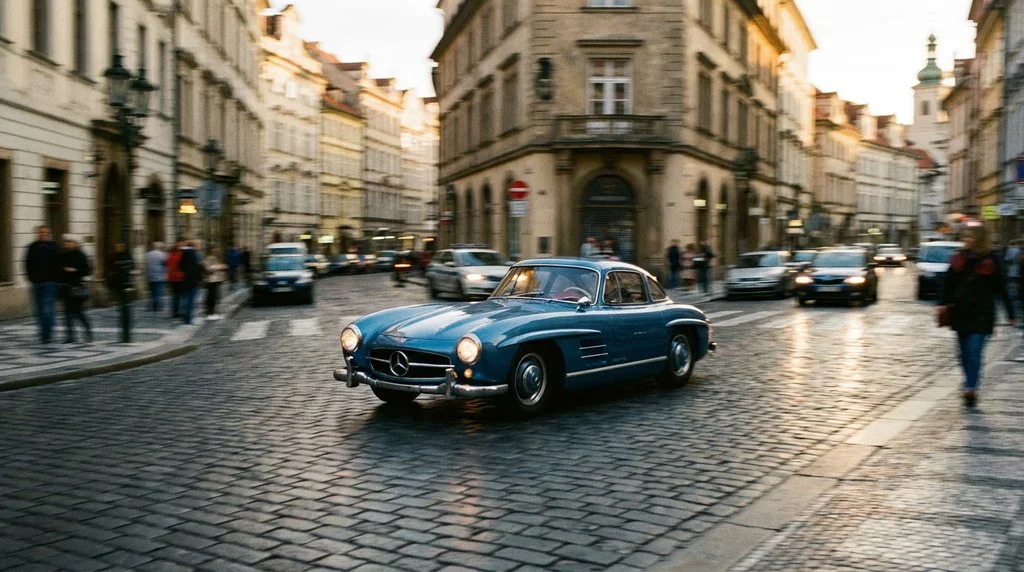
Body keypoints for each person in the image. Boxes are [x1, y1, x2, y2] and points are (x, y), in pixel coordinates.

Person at [938, 226, 1017, 407]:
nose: (967, 239)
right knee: (962, 354)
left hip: (982, 314)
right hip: (960, 313)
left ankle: (971, 387)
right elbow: (947, 282)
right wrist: (941, 303)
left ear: (980, 238)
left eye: (970, 236)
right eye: (965, 235)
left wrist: (1010, 313)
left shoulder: (992, 259)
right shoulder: (959, 257)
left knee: (973, 351)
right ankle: (969, 381)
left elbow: (1001, 288)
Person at [24, 225, 60, 343]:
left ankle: (47, 332)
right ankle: (43, 332)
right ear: (37, 234)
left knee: (48, 309)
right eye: (41, 232)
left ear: (48, 234)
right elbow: (27, 263)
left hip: (50, 283)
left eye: (45, 232)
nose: (43, 234)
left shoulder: (54, 247)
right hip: (36, 283)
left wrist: (56, 279)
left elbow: (59, 263)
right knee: (39, 310)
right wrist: (31, 277)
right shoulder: (32, 247)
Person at [58, 235, 92, 343]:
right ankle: (70, 336)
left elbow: (87, 270)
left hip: (77, 288)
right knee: (67, 313)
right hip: (66, 288)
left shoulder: (81, 255)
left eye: (70, 242)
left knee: (78, 312)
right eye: (66, 242)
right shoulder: (63, 255)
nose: (67, 244)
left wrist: (75, 270)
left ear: (75, 243)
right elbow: (58, 269)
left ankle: (87, 330)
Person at [179, 240, 202, 325]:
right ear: (194, 246)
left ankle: (185, 315)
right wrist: (199, 278)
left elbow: (180, 266)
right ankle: (189, 317)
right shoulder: (195, 255)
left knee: (186, 298)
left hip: (186, 279)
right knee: (191, 300)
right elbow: (198, 268)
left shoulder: (184, 254)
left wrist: (186, 272)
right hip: (193, 280)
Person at [203, 247, 228, 320]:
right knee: (211, 297)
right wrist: (220, 267)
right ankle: (210, 313)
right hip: (211, 280)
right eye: (216, 250)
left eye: (218, 250)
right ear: (212, 251)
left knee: (216, 296)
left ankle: (213, 312)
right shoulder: (209, 258)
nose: (218, 252)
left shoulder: (216, 258)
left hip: (216, 280)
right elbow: (208, 268)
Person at [145, 242, 168, 312]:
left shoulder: (148, 254)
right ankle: (159, 306)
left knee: (153, 292)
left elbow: (146, 265)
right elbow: (165, 265)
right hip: (160, 276)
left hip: (151, 276)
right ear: (160, 247)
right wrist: (166, 273)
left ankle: (154, 305)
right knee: (159, 292)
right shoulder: (163, 255)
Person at [1004, 239, 1022, 321]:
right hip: (1017, 271)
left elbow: (1007, 260)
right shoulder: (1019, 250)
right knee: (1015, 284)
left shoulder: (1010, 250)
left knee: (1012, 285)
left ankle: (1014, 294)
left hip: (1012, 271)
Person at [166, 241, 184, 319]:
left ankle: (174, 312)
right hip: (179, 278)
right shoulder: (180, 256)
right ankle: (179, 311)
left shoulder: (169, 256)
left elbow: (167, 265)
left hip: (171, 278)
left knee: (174, 296)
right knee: (180, 296)